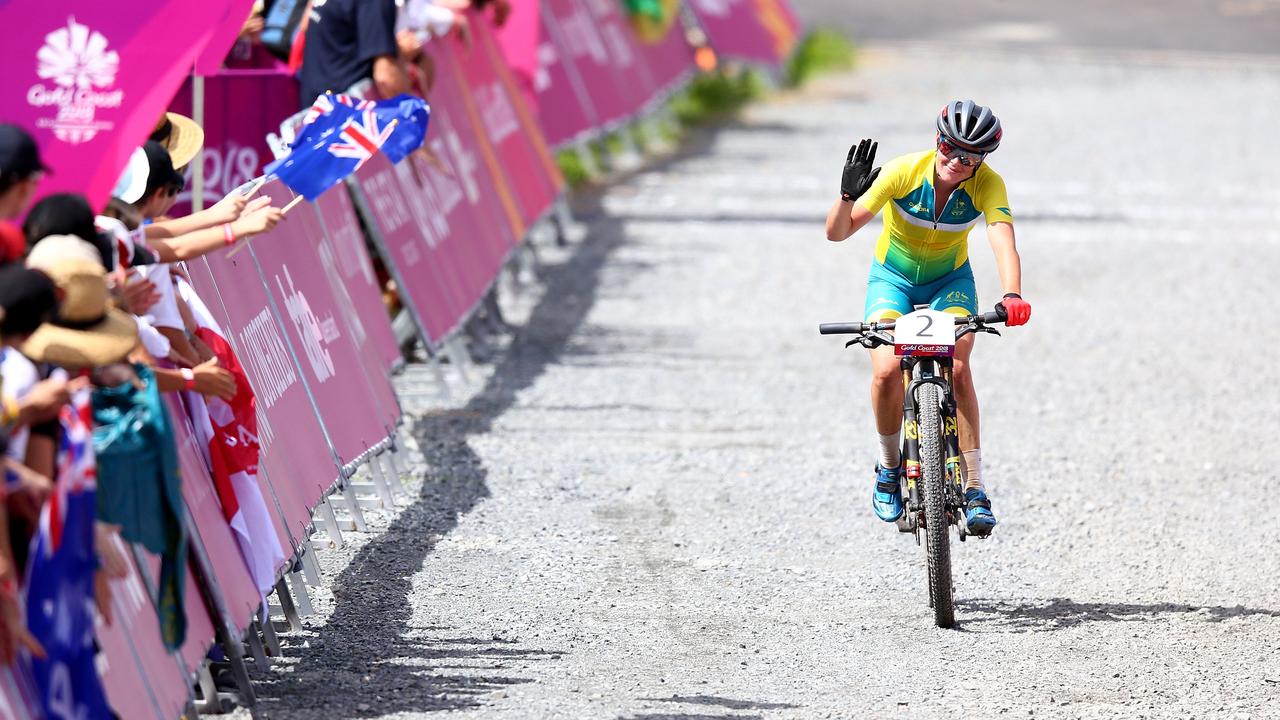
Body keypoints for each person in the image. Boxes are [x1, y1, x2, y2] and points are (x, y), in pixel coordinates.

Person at [824, 100, 1032, 536]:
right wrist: (846, 197)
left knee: (957, 367)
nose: (958, 161)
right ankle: (888, 468)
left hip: (950, 282)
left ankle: (975, 487)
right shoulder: (903, 172)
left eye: (971, 156)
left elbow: (1002, 239)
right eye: (950, 148)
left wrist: (1011, 293)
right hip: (892, 280)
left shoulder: (988, 185)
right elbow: (838, 233)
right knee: (885, 373)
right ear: (937, 141)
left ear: (983, 160)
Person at [297, 0, 410, 107]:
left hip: (315, 113)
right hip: (348, 116)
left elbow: (305, 25)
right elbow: (386, 78)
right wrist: (414, 113)